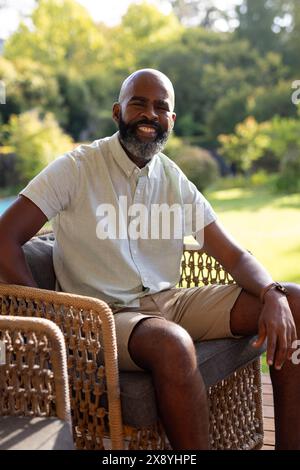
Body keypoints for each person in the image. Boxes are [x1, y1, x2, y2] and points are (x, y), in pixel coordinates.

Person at [0, 68, 299, 450]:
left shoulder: (173, 179)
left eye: (161, 107)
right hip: (103, 317)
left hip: (169, 301)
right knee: (170, 343)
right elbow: (4, 238)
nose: (150, 114)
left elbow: (234, 254)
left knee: (294, 300)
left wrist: (272, 292)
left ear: (171, 120)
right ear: (117, 112)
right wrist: (49, 314)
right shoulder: (75, 168)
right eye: (138, 103)